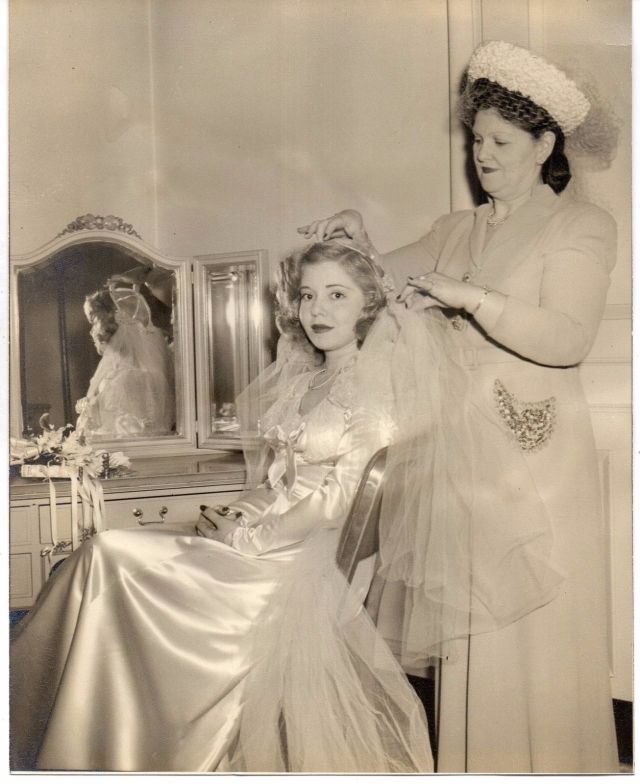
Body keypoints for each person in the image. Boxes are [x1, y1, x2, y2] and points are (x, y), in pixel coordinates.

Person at [300, 40, 619, 773]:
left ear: (545, 145)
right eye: (477, 140)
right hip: (464, 457)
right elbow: (378, 281)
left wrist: (473, 298)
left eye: (501, 141)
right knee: (476, 631)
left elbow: (568, 338)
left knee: (538, 629)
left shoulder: (581, 226)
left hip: (539, 452)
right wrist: (355, 241)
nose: (483, 155)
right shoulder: (456, 229)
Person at [10, 240, 440, 773]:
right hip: (266, 539)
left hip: (304, 564)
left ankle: (101, 746)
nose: (317, 310)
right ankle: (61, 728)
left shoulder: (372, 392)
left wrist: (247, 537)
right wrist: (240, 511)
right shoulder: (306, 382)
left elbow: (337, 500)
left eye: (337, 295)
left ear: (368, 304)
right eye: (308, 295)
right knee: (102, 555)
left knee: (111, 556)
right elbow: (280, 483)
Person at [75, 284, 176, 438]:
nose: (92, 331)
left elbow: (117, 430)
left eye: (93, 322)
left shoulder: (123, 379)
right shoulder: (145, 374)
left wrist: (91, 409)